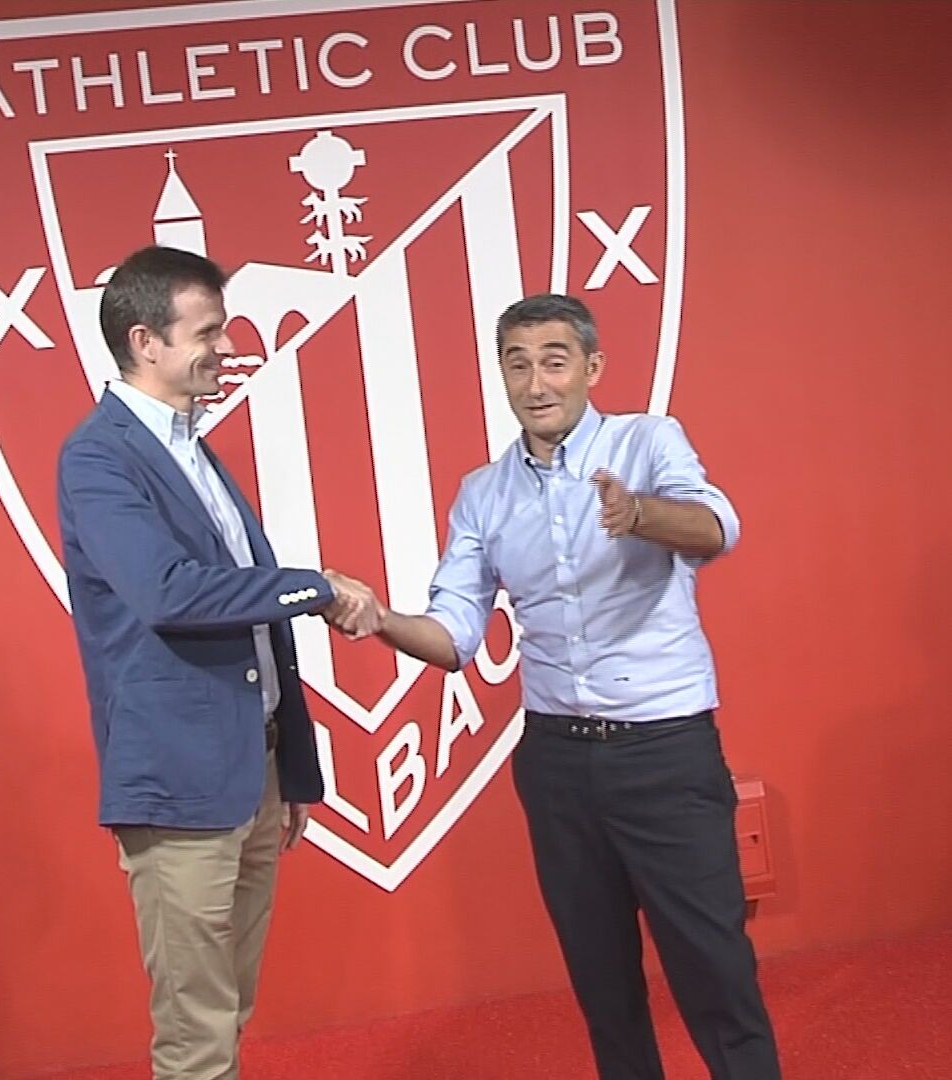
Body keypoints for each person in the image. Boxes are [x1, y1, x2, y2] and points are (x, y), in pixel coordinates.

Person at [334, 293, 782, 1079]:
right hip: (557, 765)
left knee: (714, 970)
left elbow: (716, 527)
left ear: (591, 368)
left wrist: (637, 513)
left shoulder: (646, 442)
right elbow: (455, 634)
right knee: (603, 983)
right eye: (518, 364)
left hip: (665, 753)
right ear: (501, 376)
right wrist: (380, 618)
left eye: (554, 361)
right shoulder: (483, 494)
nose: (536, 382)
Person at [57, 245, 379, 1080]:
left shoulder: (191, 450)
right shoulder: (99, 457)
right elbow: (168, 594)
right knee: (197, 1034)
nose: (228, 347)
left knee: (226, 1011)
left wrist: (290, 771)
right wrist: (313, 587)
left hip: (253, 771)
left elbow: (245, 622)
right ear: (145, 342)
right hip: (180, 781)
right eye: (208, 332)